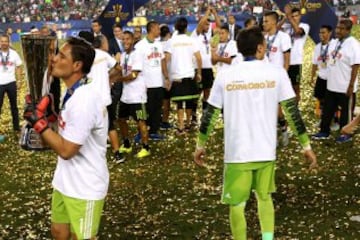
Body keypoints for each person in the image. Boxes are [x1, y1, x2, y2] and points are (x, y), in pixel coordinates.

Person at [193, 27, 318, 240]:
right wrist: (306, 146)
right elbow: (292, 112)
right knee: (264, 197)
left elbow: (210, 113)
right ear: (261, 48)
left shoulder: (226, 74)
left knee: (237, 204)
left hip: (237, 153)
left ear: (240, 49)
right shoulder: (277, 72)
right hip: (265, 150)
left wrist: (200, 145)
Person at [23, 37, 108, 239]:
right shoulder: (72, 92)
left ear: (77, 65)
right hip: (65, 180)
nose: (53, 59)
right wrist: (48, 119)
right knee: (59, 233)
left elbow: (67, 150)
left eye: (61, 56)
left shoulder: (84, 100)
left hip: (85, 185)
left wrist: (39, 123)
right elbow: (62, 135)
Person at [79, 31, 125, 163]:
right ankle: (117, 153)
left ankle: (90, 154)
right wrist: (109, 78)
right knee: (110, 125)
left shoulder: (84, 57)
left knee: (88, 127)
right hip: (104, 97)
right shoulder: (103, 55)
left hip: (89, 99)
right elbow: (118, 68)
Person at [312, 19, 360, 143]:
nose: (338, 31)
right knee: (327, 110)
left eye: (342, 29)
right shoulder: (335, 43)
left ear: (348, 30)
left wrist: (351, 86)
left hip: (345, 86)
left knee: (346, 112)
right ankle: (324, 131)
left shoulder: (353, 44)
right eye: (337, 28)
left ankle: (346, 134)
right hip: (332, 85)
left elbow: (356, 65)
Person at [113, 31, 151, 158]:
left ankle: (145, 147)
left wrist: (118, 79)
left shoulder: (137, 54)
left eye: (128, 39)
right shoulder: (123, 55)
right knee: (121, 119)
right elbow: (121, 71)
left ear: (133, 40)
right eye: (123, 39)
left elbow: (134, 75)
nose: (125, 42)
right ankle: (127, 144)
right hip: (126, 96)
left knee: (141, 121)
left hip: (138, 96)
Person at [164, 17, 202, 135]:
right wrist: (199, 73)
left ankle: (180, 126)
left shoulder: (171, 41)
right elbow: (199, 58)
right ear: (186, 28)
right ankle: (188, 124)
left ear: (175, 28)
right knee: (189, 102)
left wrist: (166, 76)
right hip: (189, 75)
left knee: (180, 104)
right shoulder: (191, 40)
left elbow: (166, 59)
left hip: (177, 77)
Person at [134, 21, 168, 140]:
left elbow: (163, 61)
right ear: (152, 29)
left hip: (158, 82)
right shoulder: (140, 46)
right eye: (158, 28)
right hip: (145, 84)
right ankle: (141, 132)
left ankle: (154, 131)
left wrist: (166, 77)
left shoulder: (159, 45)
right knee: (144, 109)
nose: (159, 31)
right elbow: (136, 66)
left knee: (157, 108)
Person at [263, 11, 292, 146]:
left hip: (277, 78)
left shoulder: (283, 37)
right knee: (267, 108)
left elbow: (287, 60)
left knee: (276, 109)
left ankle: (284, 130)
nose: (264, 24)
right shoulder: (263, 38)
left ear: (274, 22)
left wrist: (283, 76)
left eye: (266, 21)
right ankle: (272, 135)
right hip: (264, 79)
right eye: (263, 21)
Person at [191, 6, 221, 125]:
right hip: (197, 68)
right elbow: (201, 23)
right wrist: (208, 12)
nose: (207, 27)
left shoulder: (210, 35)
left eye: (208, 25)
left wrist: (215, 12)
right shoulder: (195, 34)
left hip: (208, 67)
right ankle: (193, 115)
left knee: (207, 92)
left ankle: (204, 114)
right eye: (205, 25)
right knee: (196, 93)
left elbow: (219, 26)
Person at [283, 6, 310, 102]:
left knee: (296, 88)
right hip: (284, 62)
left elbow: (298, 32)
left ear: (300, 16)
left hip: (296, 62)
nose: (294, 18)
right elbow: (275, 30)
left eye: (296, 16)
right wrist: (284, 18)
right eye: (292, 16)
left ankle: (296, 109)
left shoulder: (305, 26)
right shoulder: (286, 26)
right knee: (283, 88)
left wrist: (289, 17)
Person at [310, 25, 335, 121]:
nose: (321, 35)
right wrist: (312, 77)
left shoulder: (334, 45)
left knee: (331, 100)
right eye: (320, 32)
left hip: (331, 78)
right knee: (320, 98)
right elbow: (314, 63)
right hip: (321, 77)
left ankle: (333, 119)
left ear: (329, 33)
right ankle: (322, 118)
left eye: (323, 32)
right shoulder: (318, 47)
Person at [0, 34, 22, 132]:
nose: (4, 43)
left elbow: (18, 67)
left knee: (14, 106)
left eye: (6, 41)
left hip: (11, 83)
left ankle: (16, 127)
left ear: (9, 42)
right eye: (2, 41)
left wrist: (19, 80)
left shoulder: (14, 53)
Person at [159, 24, 173, 130]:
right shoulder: (169, 44)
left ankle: (158, 119)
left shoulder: (157, 44)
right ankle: (164, 121)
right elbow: (167, 59)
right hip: (167, 75)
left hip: (156, 77)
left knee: (159, 100)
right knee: (166, 101)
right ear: (168, 34)